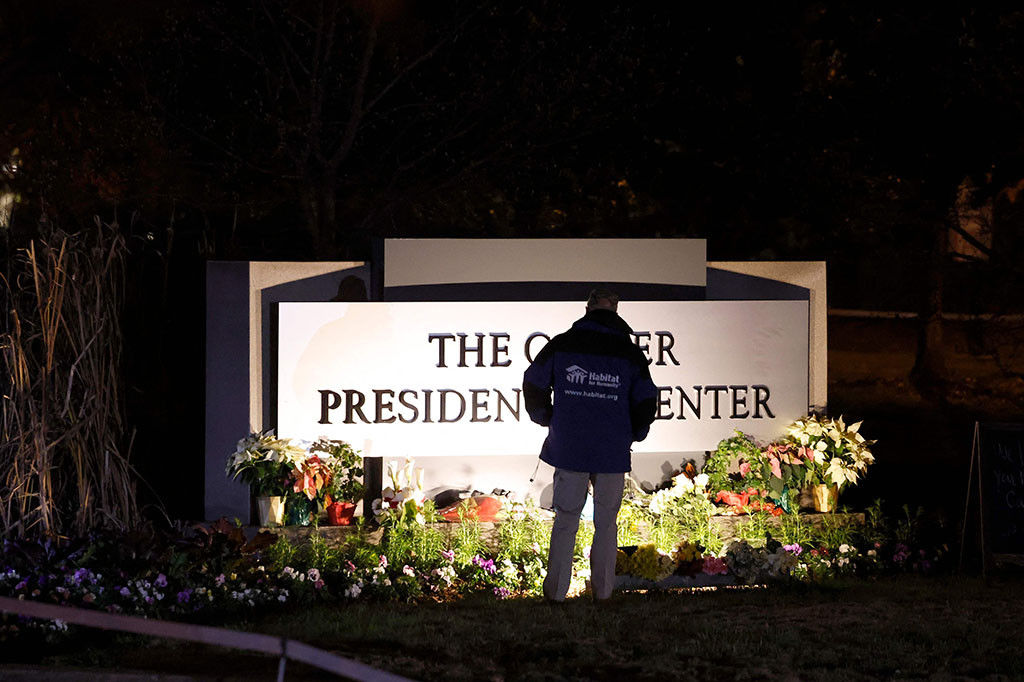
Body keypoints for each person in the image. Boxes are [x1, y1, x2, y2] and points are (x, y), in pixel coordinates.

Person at [523, 287, 657, 601]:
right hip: (612, 449)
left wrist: (546, 417)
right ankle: (603, 594)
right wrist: (634, 432)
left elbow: (533, 382)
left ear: (588, 309)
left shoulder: (562, 344)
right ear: (615, 310)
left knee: (566, 520)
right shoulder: (630, 353)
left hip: (570, 446)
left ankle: (556, 594)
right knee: (607, 523)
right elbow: (646, 399)